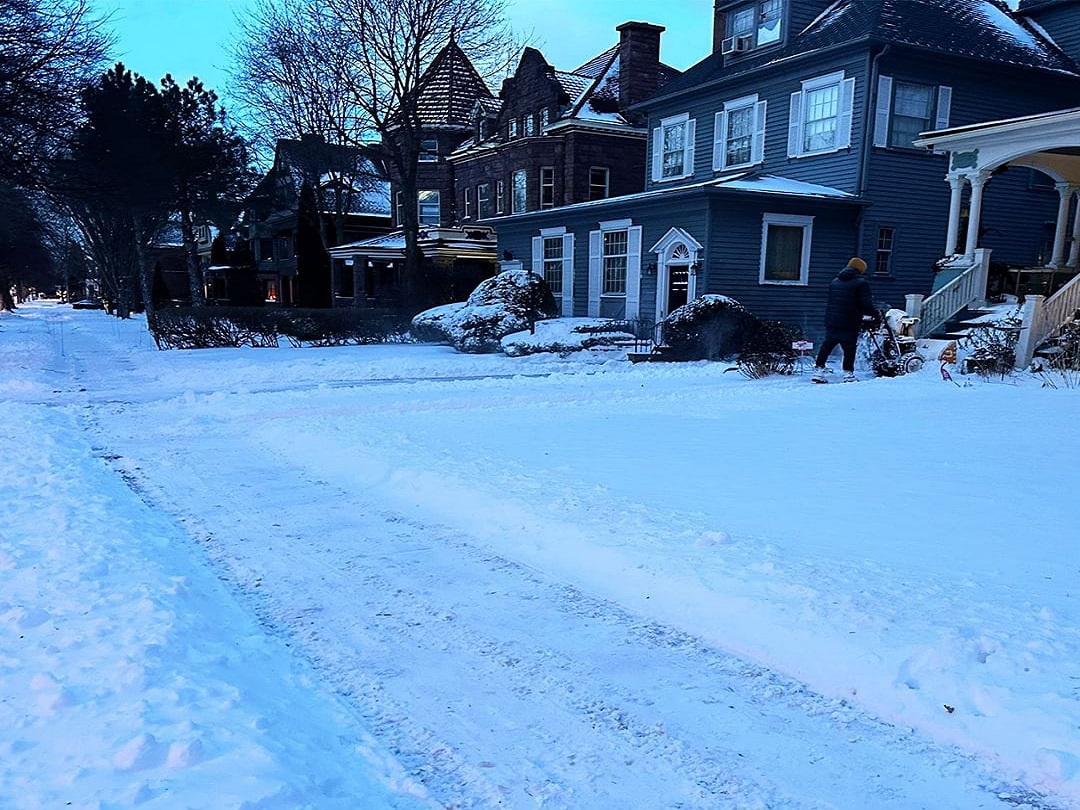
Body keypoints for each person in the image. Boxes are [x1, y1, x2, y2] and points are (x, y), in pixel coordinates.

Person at [812, 257, 877, 383]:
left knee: (827, 346)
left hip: (832, 320)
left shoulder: (835, 281)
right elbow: (866, 304)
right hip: (850, 321)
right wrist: (876, 314)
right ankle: (848, 374)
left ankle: (819, 371)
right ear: (860, 270)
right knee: (849, 349)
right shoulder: (861, 283)